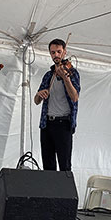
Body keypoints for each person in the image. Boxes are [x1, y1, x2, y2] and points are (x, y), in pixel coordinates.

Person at [34, 38, 80, 171]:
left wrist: (65, 78)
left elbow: (75, 97)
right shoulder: (48, 75)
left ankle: (65, 192)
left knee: (65, 165)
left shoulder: (72, 73)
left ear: (64, 52)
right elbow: (36, 101)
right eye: (53, 53)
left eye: (59, 52)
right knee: (48, 166)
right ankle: (49, 192)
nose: (56, 55)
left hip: (63, 124)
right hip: (46, 124)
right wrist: (39, 94)